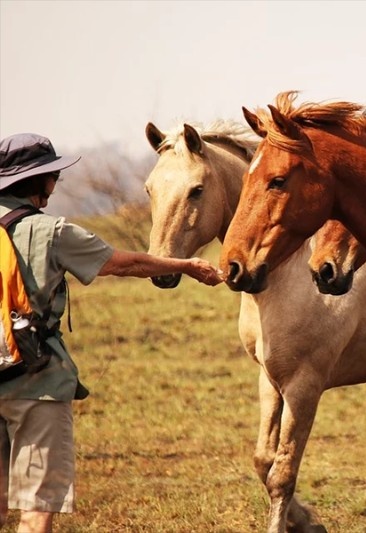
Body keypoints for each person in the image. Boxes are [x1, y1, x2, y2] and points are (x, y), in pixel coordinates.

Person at [0, 133, 223, 532]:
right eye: (53, 175)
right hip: (38, 383)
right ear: (38, 181)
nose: (56, 183)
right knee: (37, 506)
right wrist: (187, 265)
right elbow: (125, 264)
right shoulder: (52, 232)